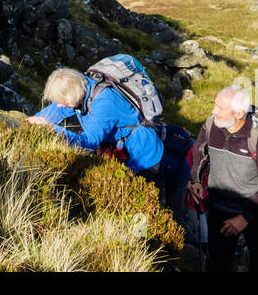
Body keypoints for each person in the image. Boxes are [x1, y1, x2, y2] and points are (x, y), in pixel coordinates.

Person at [28, 67, 189, 226]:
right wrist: (30, 123)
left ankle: (183, 246)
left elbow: (89, 142)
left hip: (149, 161)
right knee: (140, 214)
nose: (60, 106)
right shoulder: (80, 90)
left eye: (63, 102)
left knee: (158, 215)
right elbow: (56, 110)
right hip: (131, 158)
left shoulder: (104, 101)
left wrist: (51, 128)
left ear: (73, 95)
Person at [188, 86, 258, 272]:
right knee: (218, 263)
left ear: (239, 113)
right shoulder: (211, 125)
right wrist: (196, 181)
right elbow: (200, 152)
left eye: (220, 108)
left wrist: (244, 218)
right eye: (215, 105)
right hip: (219, 208)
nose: (214, 111)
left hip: (255, 212)